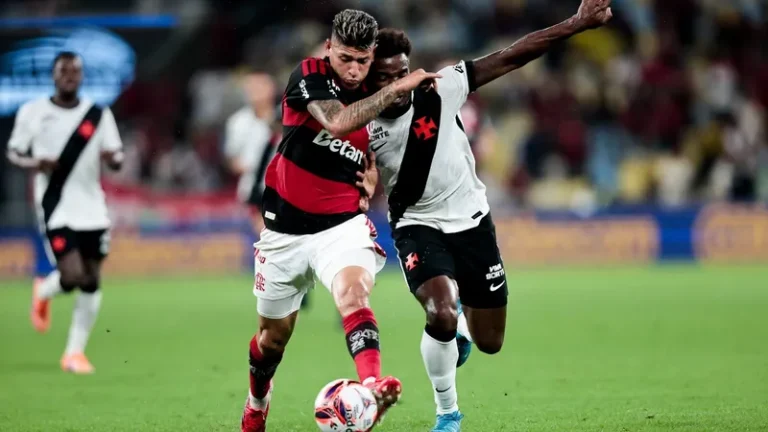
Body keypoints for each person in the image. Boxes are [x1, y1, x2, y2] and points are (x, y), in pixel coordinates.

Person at [360, 1, 613, 430]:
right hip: (417, 224)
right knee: (440, 311)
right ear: (369, 78)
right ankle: (447, 413)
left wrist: (577, 23)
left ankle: (461, 323)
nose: (395, 85)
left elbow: (512, 56)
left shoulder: (442, 89)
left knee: (490, 341)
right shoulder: (361, 122)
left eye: (400, 74)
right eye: (383, 77)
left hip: (472, 220)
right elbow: (352, 172)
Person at [240, 9, 441, 432]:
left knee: (353, 294)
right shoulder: (309, 75)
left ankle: (370, 387)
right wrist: (397, 89)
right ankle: (257, 402)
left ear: (372, 56)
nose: (353, 70)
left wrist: (373, 171)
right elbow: (338, 121)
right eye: (345, 58)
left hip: (341, 225)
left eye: (362, 60)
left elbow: (389, 144)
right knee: (271, 340)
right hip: (284, 231)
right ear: (329, 48)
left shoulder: (377, 89)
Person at [6, 51, 124, 374]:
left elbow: (116, 154)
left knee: (92, 278)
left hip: (92, 206)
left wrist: (114, 160)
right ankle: (44, 290)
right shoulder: (33, 112)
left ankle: (74, 353)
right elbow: (14, 152)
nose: (70, 76)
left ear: (82, 76)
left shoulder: (98, 114)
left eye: (75, 71)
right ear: (54, 75)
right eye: (64, 71)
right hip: (54, 203)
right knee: (72, 276)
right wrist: (36, 162)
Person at [224, 70, 279, 234]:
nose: (255, 91)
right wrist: (250, 165)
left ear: (271, 88)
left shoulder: (287, 117)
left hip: (285, 188)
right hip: (254, 191)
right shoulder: (237, 122)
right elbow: (231, 159)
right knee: (262, 237)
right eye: (251, 87)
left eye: (259, 86)